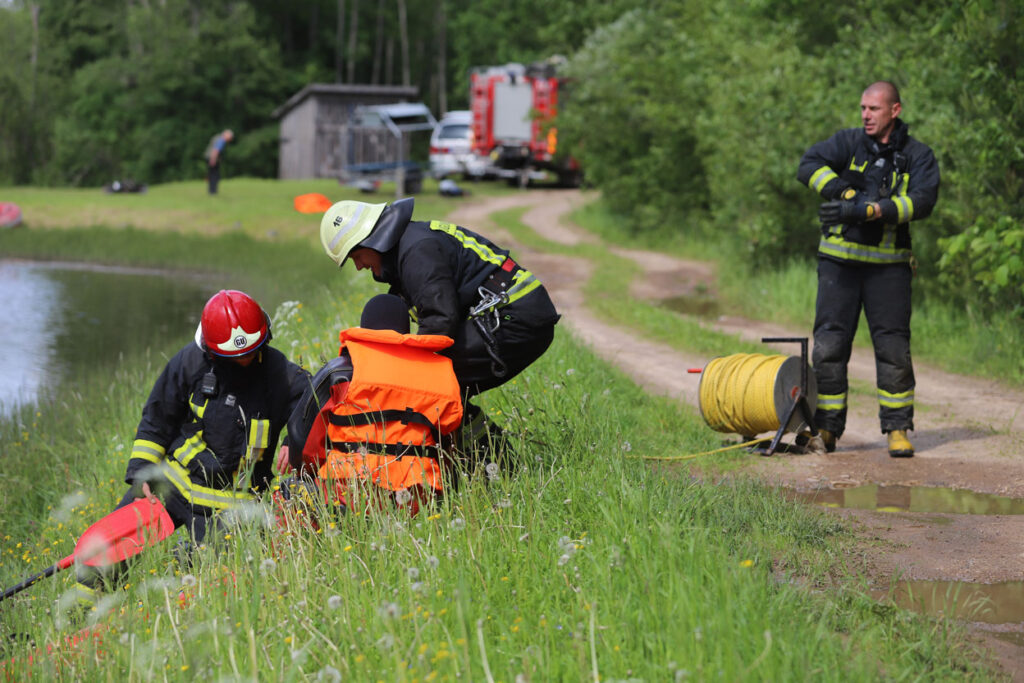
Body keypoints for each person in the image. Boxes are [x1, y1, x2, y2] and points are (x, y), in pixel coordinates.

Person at [75, 290, 309, 603]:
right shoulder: (190, 363)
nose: (245, 361)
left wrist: (293, 441)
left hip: (231, 507)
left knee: (205, 590)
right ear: (211, 351)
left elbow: (312, 401)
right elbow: (158, 418)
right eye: (235, 357)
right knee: (104, 556)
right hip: (171, 485)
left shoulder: (280, 373)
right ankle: (80, 613)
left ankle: (170, 600)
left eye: (252, 353)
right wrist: (142, 471)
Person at [318, 197, 560, 451]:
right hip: (514, 312)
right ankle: (481, 460)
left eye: (356, 256)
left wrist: (400, 375)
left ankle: (494, 461)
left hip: (516, 316)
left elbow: (439, 322)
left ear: (371, 240)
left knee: (428, 387)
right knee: (430, 387)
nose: (359, 267)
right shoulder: (407, 247)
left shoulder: (417, 251)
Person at [796, 81, 940, 457]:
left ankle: (897, 429)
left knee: (894, 348)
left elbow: (923, 201)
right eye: (862, 108)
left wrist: (877, 210)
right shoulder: (847, 142)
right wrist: (843, 193)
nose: (865, 115)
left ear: (895, 110)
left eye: (873, 109)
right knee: (829, 347)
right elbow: (807, 166)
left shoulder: (919, 155)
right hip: (838, 265)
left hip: (888, 270)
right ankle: (827, 429)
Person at [204, 129, 234, 195]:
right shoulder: (221, 140)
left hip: (208, 157)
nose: (230, 139)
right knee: (215, 175)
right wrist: (213, 159)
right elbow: (216, 150)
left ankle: (211, 191)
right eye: (230, 137)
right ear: (226, 135)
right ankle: (213, 191)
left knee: (211, 174)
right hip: (212, 158)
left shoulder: (217, 137)